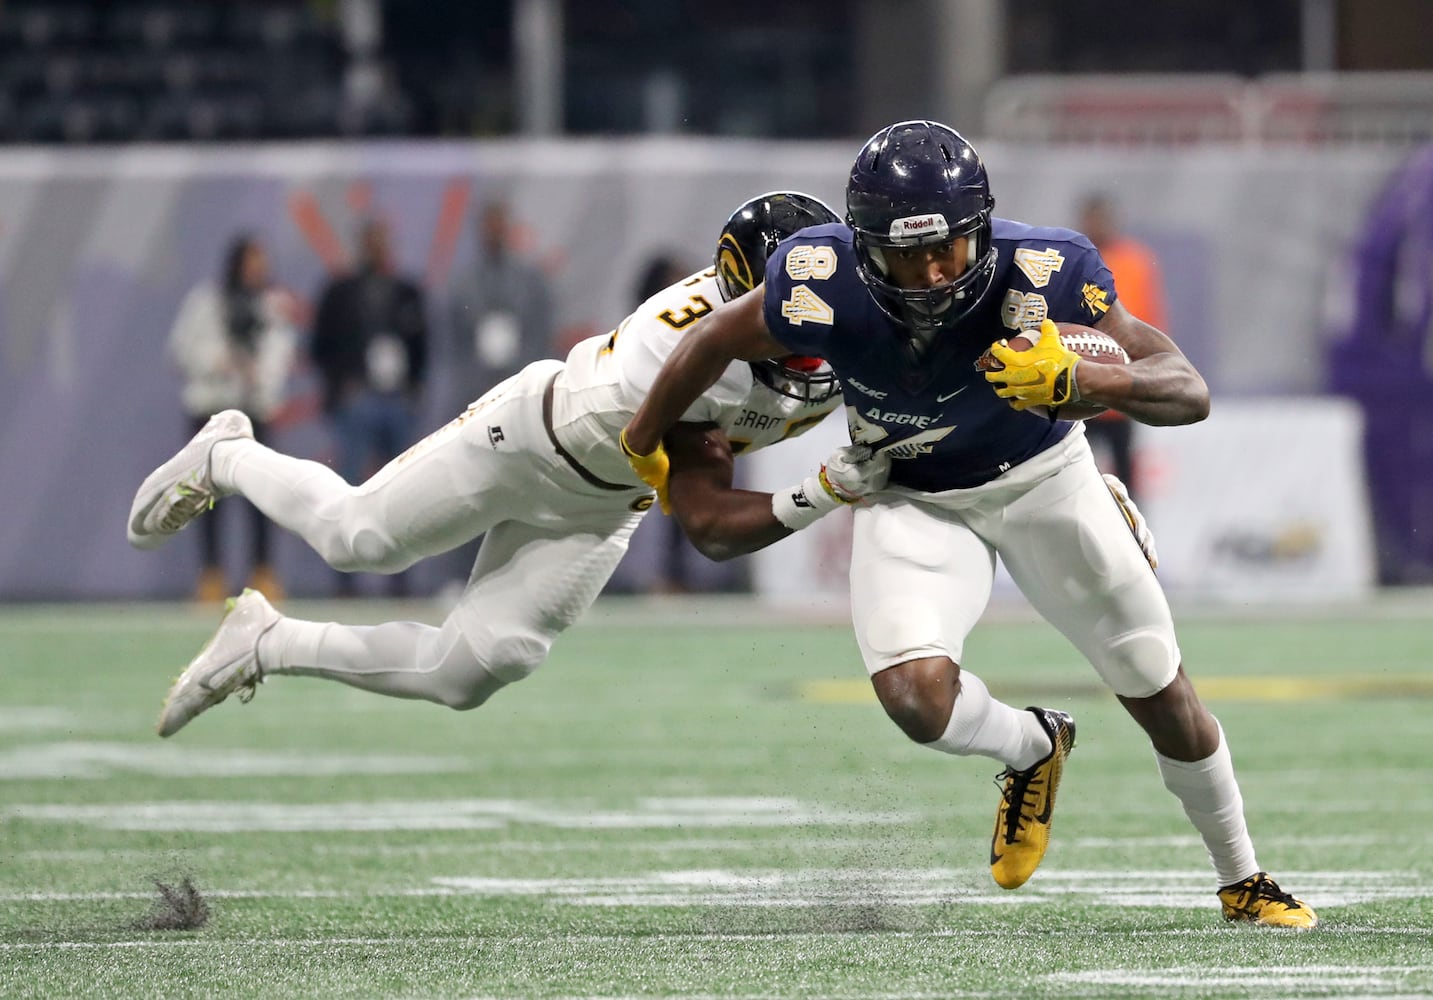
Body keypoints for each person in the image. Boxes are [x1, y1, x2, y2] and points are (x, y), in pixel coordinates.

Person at [620, 121, 1316, 928]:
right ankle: (1032, 747)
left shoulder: (1045, 268)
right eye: (902, 253)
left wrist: (1078, 375)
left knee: (1156, 687)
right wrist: (642, 437)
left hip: (1042, 479)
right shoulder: (818, 277)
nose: (928, 271)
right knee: (915, 702)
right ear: (860, 244)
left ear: (979, 226)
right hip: (910, 491)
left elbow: (1185, 388)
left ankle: (1242, 878)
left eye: (946, 247)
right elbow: (710, 338)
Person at [127, 191, 889, 742]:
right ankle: (227, 451)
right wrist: (819, 491)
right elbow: (707, 526)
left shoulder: (841, 322)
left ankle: (267, 642)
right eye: (789, 311)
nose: (810, 331)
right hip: (529, 441)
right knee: (358, 538)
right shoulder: (689, 359)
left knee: (470, 671)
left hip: (603, 505)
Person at [165, 234, 296, 602]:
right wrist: (219, 361)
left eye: (262, 260)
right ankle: (211, 575)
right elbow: (180, 350)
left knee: (262, 497)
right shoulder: (206, 301)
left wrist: (259, 375)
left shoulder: (272, 305)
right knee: (206, 499)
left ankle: (263, 573)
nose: (258, 267)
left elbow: (280, 355)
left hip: (253, 412)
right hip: (211, 410)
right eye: (252, 259)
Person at [438, 200, 558, 595]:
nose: (494, 232)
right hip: (478, 397)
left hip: (521, 396)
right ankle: (462, 576)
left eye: (499, 224)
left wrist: (530, 383)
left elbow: (542, 334)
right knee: (471, 487)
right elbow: (453, 342)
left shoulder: (529, 280)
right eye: (487, 225)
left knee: (525, 485)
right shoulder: (464, 282)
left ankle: (527, 576)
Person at [310, 217, 430, 596]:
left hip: (395, 400)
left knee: (404, 490)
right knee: (349, 488)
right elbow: (320, 345)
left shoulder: (406, 291)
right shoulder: (341, 292)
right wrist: (341, 386)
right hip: (358, 399)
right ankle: (344, 577)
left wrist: (413, 388)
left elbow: (423, 345)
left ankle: (400, 577)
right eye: (373, 241)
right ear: (362, 244)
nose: (380, 249)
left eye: (384, 241)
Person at [1075, 193, 1170, 495]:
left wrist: (1146, 367)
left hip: (1122, 390)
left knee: (1126, 474)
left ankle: (1131, 535)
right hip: (1079, 388)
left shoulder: (1135, 261)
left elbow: (1149, 318)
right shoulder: (1073, 259)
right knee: (1075, 474)